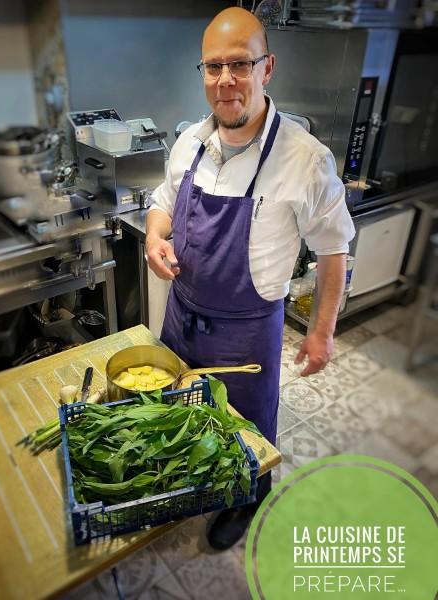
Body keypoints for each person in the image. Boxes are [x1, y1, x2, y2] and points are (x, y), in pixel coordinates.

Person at [145, 7, 355, 550]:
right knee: (185, 410)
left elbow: (335, 248)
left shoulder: (306, 160)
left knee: (246, 431)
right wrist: (153, 236)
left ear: (268, 68)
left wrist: (323, 331)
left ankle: (248, 496)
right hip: (181, 315)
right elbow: (162, 202)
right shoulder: (190, 141)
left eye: (240, 64)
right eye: (213, 67)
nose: (225, 81)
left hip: (246, 331)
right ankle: (196, 479)